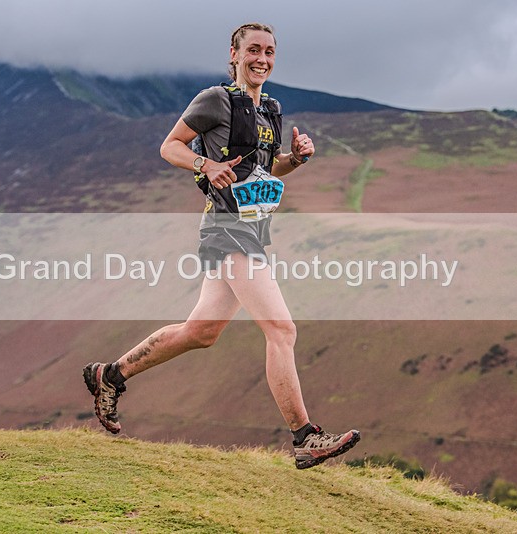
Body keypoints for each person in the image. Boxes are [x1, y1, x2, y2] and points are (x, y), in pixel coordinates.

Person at [83, 22, 360, 469]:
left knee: (201, 332)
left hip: (253, 231)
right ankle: (305, 437)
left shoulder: (270, 109)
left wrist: (295, 159)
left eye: (269, 52)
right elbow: (170, 146)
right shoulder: (215, 99)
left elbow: (264, 169)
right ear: (234, 54)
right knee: (281, 329)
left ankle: (110, 374)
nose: (262, 59)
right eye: (253, 50)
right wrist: (205, 164)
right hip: (226, 229)